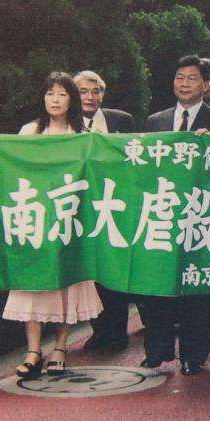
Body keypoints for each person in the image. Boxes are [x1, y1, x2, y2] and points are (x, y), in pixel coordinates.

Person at [136, 55, 210, 376]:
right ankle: (157, 350)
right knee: (158, 283)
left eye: (192, 78)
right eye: (179, 77)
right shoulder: (156, 121)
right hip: (164, 213)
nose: (184, 83)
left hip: (201, 215)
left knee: (197, 287)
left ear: (206, 84)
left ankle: (194, 355)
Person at [4, 72, 103, 378]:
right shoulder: (29, 131)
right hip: (36, 216)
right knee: (32, 283)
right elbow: (9, 162)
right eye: (50, 94)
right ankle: (33, 351)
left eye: (62, 94)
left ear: (71, 99)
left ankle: (60, 347)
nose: (55, 100)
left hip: (68, 218)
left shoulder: (83, 135)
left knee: (66, 282)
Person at [74, 70, 136, 352]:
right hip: (82, 206)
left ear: (102, 94)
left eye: (95, 91)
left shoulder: (121, 120)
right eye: (83, 91)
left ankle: (118, 332)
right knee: (90, 273)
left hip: (116, 204)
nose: (90, 97)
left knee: (115, 271)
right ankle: (99, 330)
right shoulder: (67, 124)